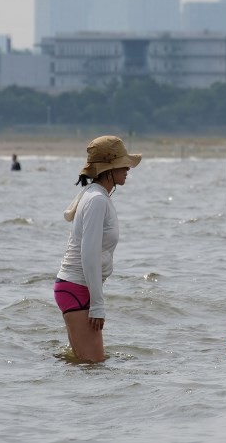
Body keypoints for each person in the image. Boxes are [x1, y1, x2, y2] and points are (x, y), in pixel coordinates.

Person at [54, 135, 142, 363]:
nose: (128, 169)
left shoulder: (94, 195)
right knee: (94, 367)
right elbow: (89, 254)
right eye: (123, 164)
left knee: (81, 365)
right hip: (77, 289)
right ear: (109, 168)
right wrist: (97, 306)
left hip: (77, 288)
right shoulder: (96, 200)